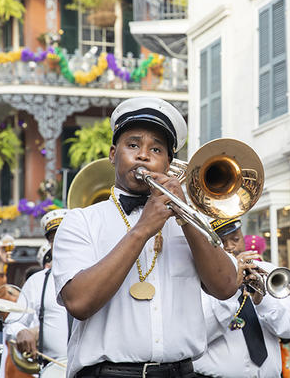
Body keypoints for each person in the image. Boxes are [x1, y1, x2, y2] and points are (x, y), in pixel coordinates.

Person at [52, 97, 238, 378]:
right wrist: (142, 229)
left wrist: (187, 216)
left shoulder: (187, 224)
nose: (143, 155)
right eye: (133, 145)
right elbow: (78, 303)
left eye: (156, 149)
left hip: (181, 372)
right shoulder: (80, 222)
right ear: (114, 154)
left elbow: (225, 286)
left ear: (168, 163)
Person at [193, 218, 290, 378]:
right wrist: (230, 289)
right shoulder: (199, 280)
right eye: (221, 242)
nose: (231, 247)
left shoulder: (268, 271)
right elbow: (198, 337)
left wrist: (262, 300)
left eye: (236, 239)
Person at [5, 209, 69, 365]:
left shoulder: (95, 273)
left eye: (65, 236)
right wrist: (21, 331)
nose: (60, 243)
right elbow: (13, 323)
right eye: (53, 239)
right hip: (53, 370)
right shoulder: (37, 282)